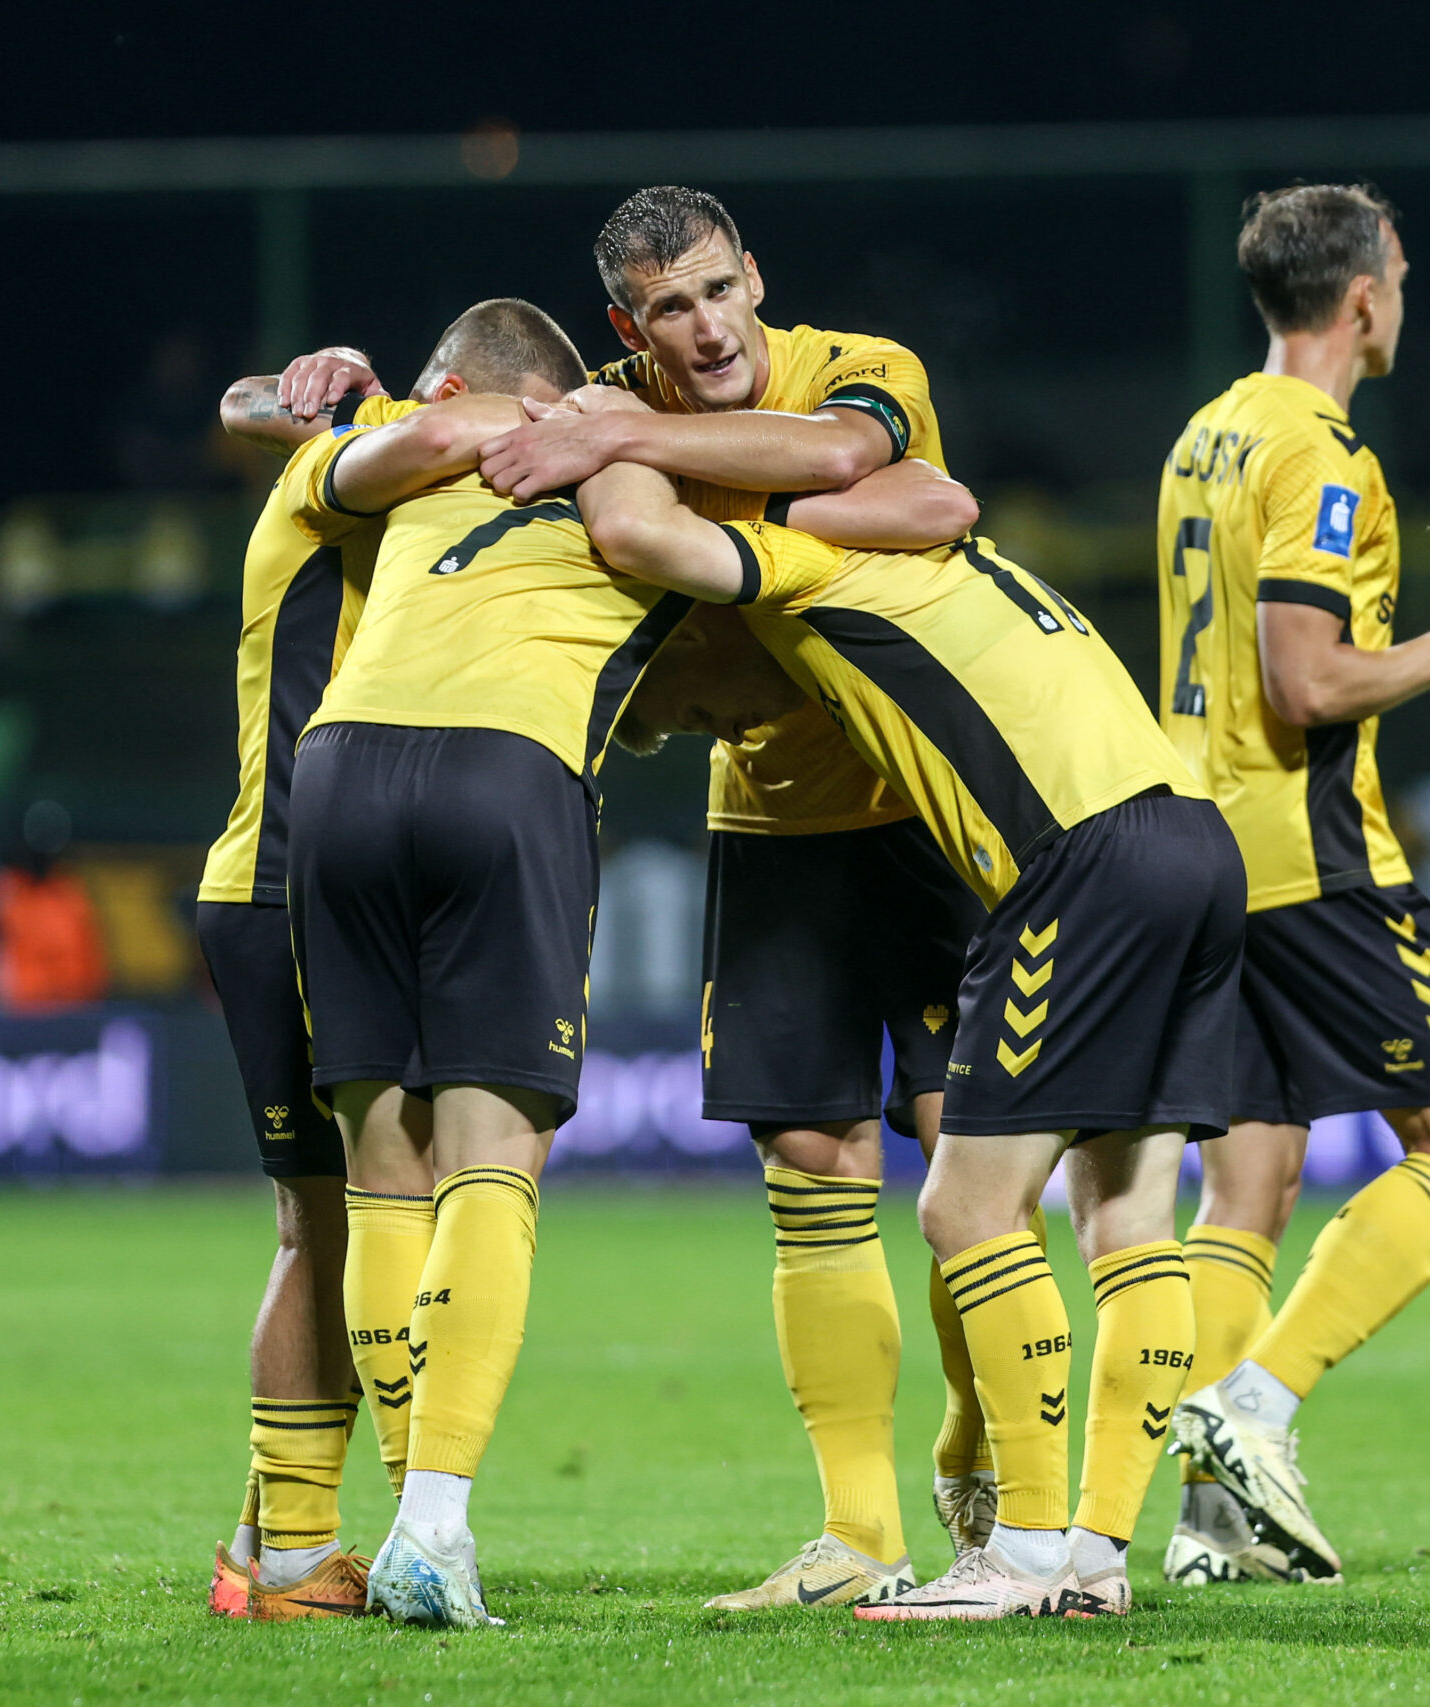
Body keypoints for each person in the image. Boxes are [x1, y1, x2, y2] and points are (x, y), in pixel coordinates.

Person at [266, 186, 993, 1612]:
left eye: (722, 290)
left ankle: (1006, 1503)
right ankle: (859, 1538)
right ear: (626, 324)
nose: (708, 325)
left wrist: (624, 441)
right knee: (814, 1158)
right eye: (672, 308)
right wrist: (333, 379)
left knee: (966, 1170)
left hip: (920, 800)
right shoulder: (577, 412)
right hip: (770, 822)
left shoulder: (858, 365)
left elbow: (874, 469)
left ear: (757, 277)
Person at [578, 416, 1244, 1621]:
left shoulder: (797, 566)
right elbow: (940, 496)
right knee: (1131, 1207)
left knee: (963, 1205)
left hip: (1078, 863)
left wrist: (610, 427)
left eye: (678, 700)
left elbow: (642, 529)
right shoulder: (932, 552)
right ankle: (1093, 1555)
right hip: (1190, 839)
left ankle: (1025, 1554)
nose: (701, 726)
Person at [277, 297, 740, 1628]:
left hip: (344, 764)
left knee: (382, 1170)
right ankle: (433, 1527)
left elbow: (275, 414)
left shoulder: (412, 456)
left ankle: (408, 1505)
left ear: (463, 380)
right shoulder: (635, 473)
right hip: (505, 763)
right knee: (493, 1157)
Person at [1150, 183, 1430, 1585]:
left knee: (1251, 1180)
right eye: (1399, 270)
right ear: (1362, 299)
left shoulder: (1206, 430)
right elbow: (1307, 677)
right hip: (1311, 860)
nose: (1404, 292)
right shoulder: (1324, 458)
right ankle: (1252, 1404)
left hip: (1197, 853)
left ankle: (1215, 1525)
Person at [195, 376, 406, 1622]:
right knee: (332, 1224)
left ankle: (271, 1528)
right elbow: (249, 406)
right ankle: (295, 1556)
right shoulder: (355, 471)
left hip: (303, 885)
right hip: (285, 885)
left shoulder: (400, 483)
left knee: (334, 1226)